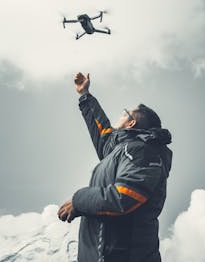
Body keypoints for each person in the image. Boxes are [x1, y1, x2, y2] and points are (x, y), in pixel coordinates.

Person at [58, 72, 172, 262]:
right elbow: (102, 131)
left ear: (131, 122)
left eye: (124, 112)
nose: (120, 114)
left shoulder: (140, 151)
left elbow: (125, 197)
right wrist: (84, 95)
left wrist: (79, 201)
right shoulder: (119, 150)